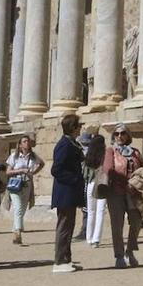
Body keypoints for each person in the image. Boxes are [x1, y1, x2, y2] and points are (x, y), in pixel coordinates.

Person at [104, 124, 143, 268]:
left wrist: (139, 184)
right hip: (115, 192)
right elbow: (108, 170)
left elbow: (142, 170)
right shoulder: (110, 151)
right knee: (117, 225)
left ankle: (130, 251)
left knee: (136, 221)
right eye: (116, 134)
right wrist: (123, 181)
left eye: (122, 133)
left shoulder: (135, 153)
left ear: (128, 135)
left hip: (133, 192)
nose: (119, 136)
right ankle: (119, 255)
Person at [51, 114, 85, 273]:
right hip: (65, 192)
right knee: (64, 227)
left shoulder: (72, 143)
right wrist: (75, 179)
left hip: (70, 192)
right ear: (73, 127)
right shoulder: (64, 145)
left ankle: (66, 259)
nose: (81, 128)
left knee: (69, 226)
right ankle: (59, 261)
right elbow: (56, 169)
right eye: (79, 125)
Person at [6, 134, 44, 245]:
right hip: (15, 184)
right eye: (24, 141)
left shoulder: (33, 156)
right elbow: (8, 172)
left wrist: (33, 173)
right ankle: (18, 232)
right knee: (17, 207)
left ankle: (15, 231)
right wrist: (21, 170)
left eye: (28, 141)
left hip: (27, 183)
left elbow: (41, 164)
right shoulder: (14, 156)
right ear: (20, 144)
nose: (27, 143)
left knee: (22, 209)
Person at [83, 132, 108, 247]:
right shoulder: (105, 155)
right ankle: (96, 239)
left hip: (91, 183)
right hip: (101, 183)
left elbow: (85, 173)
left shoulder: (89, 156)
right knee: (100, 211)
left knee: (91, 211)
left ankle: (89, 237)